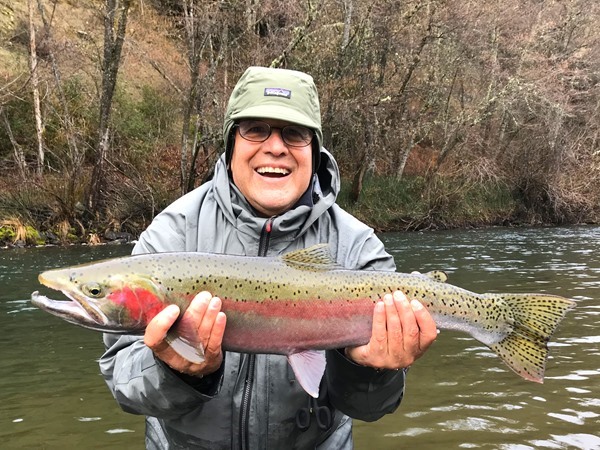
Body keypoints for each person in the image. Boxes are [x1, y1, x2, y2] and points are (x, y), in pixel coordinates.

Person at [100, 66, 437, 449]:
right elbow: (125, 385)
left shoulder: (357, 247)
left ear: (314, 149)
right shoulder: (172, 234)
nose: (275, 147)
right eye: (256, 129)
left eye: (294, 134)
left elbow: (373, 407)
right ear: (230, 144)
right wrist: (179, 373)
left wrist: (369, 370)